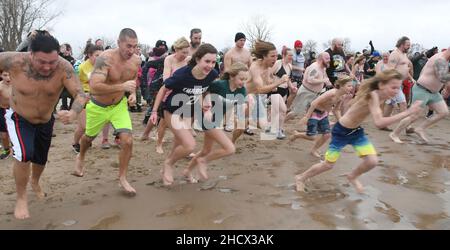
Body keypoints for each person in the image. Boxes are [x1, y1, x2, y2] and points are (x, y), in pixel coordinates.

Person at [0, 33, 88, 219]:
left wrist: (73, 112)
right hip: (19, 117)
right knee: (24, 154)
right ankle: (21, 198)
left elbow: (80, 94)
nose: (48, 67)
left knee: (40, 159)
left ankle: (35, 182)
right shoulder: (13, 61)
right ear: (30, 54)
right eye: (42, 62)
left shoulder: (64, 67)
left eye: (52, 61)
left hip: (46, 120)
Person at [295, 69, 422, 193]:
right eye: (393, 87)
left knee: (372, 161)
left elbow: (356, 107)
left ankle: (352, 176)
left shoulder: (382, 96)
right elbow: (379, 122)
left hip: (356, 132)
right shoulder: (373, 95)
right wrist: (407, 112)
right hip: (341, 132)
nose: (397, 91)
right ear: (382, 85)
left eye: (398, 88)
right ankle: (301, 178)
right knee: (328, 165)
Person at [73, 28, 141, 196]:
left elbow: (132, 79)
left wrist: (131, 93)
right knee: (88, 139)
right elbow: (95, 86)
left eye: (135, 46)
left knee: (128, 141)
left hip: (119, 106)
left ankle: (123, 178)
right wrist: (122, 87)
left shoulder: (136, 60)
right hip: (98, 106)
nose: (131, 51)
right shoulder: (105, 59)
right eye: (128, 46)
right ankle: (81, 156)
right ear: (119, 43)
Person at [149, 44, 219, 186]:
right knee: (189, 145)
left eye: (213, 62)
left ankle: (167, 170)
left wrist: (207, 104)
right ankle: (168, 164)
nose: (210, 65)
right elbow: (163, 88)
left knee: (179, 144)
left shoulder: (212, 74)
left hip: (188, 111)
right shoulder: (183, 74)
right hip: (171, 110)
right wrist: (155, 111)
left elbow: (206, 89)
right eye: (207, 61)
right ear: (198, 59)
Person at [390, 47, 450, 144]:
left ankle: (420, 129)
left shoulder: (445, 60)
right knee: (414, 116)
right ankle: (394, 134)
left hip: (433, 92)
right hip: (422, 90)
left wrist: (446, 88)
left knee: (443, 112)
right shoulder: (440, 59)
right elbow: (442, 77)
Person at [141, 37, 191, 155]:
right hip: (166, 90)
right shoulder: (169, 59)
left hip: (182, 93)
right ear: (176, 49)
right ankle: (158, 143)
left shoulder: (189, 60)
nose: (185, 55)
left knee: (184, 121)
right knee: (162, 120)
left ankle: (183, 146)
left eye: (187, 52)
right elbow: (166, 78)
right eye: (183, 52)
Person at [290, 76, 353, 158]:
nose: (351, 88)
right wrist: (306, 117)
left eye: (352, 86)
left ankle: (314, 150)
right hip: (313, 112)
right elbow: (314, 103)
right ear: (341, 86)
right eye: (349, 86)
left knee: (327, 135)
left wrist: (341, 121)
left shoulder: (342, 96)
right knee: (312, 136)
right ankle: (297, 134)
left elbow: (336, 110)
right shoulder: (332, 93)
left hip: (323, 114)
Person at [245, 40, 289, 134]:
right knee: (260, 125)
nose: (275, 58)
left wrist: (273, 85)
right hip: (247, 96)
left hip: (258, 98)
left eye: (276, 56)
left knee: (281, 109)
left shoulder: (268, 67)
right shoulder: (255, 67)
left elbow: (268, 83)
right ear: (264, 56)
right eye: (272, 56)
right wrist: (279, 81)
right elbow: (260, 89)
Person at [72, 44, 104, 153]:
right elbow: (76, 84)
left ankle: (86, 141)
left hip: (97, 98)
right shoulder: (82, 67)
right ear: (89, 55)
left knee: (93, 124)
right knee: (83, 126)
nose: (99, 58)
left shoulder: (103, 66)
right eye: (97, 55)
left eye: (101, 55)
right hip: (84, 97)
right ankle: (75, 143)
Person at [285, 52, 332, 123]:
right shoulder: (315, 68)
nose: (329, 61)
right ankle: (281, 122)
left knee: (316, 109)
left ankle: (313, 127)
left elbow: (324, 77)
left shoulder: (323, 67)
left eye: (329, 59)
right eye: (327, 59)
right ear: (321, 59)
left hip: (315, 93)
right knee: (295, 112)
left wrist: (328, 82)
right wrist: (323, 80)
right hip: (306, 92)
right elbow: (310, 79)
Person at [269, 47, 297, 139]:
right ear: (284, 55)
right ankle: (279, 130)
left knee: (277, 111)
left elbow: (287, 79)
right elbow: (269, 74)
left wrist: (291, 87)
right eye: (289, 55)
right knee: (283, 110)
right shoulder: (278, 63)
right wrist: (273, 85)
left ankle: (272, 127)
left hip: (284, 90)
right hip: (276, 90)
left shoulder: (290, 66)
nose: (291, 57)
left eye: (292, 55)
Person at [0, 70, 12, 159]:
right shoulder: (0, 86)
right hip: (3, 110)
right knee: (4, 135)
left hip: (16, 110)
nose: (8, 77)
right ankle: (7, 150)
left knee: (15, 132)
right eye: (5, 75)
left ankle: (16, 149)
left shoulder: (17, 84)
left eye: (9, 75)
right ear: (1, 76)